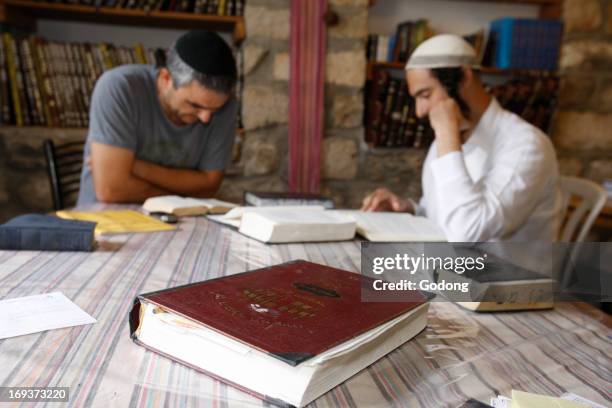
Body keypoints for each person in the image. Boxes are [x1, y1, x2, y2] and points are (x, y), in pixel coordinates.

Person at [361, 34, 563, 241]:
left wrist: (448, 136)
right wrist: (409, 209)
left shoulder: (526, 145)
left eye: (425, 95)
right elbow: (443, 216)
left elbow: (466, 233)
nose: (419, 111)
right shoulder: (446, 139)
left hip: (509, 273)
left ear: (464, 78)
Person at [77, 30, 238, 206]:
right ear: (165, 78)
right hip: (107, 222)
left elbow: (209, 185)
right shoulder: (119, 88)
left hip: (180, 225)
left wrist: (137, 167)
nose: (206, 118)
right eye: (195, 105)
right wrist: (186, 198)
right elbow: (111, 190)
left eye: (215, 109)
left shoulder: (227, 106)